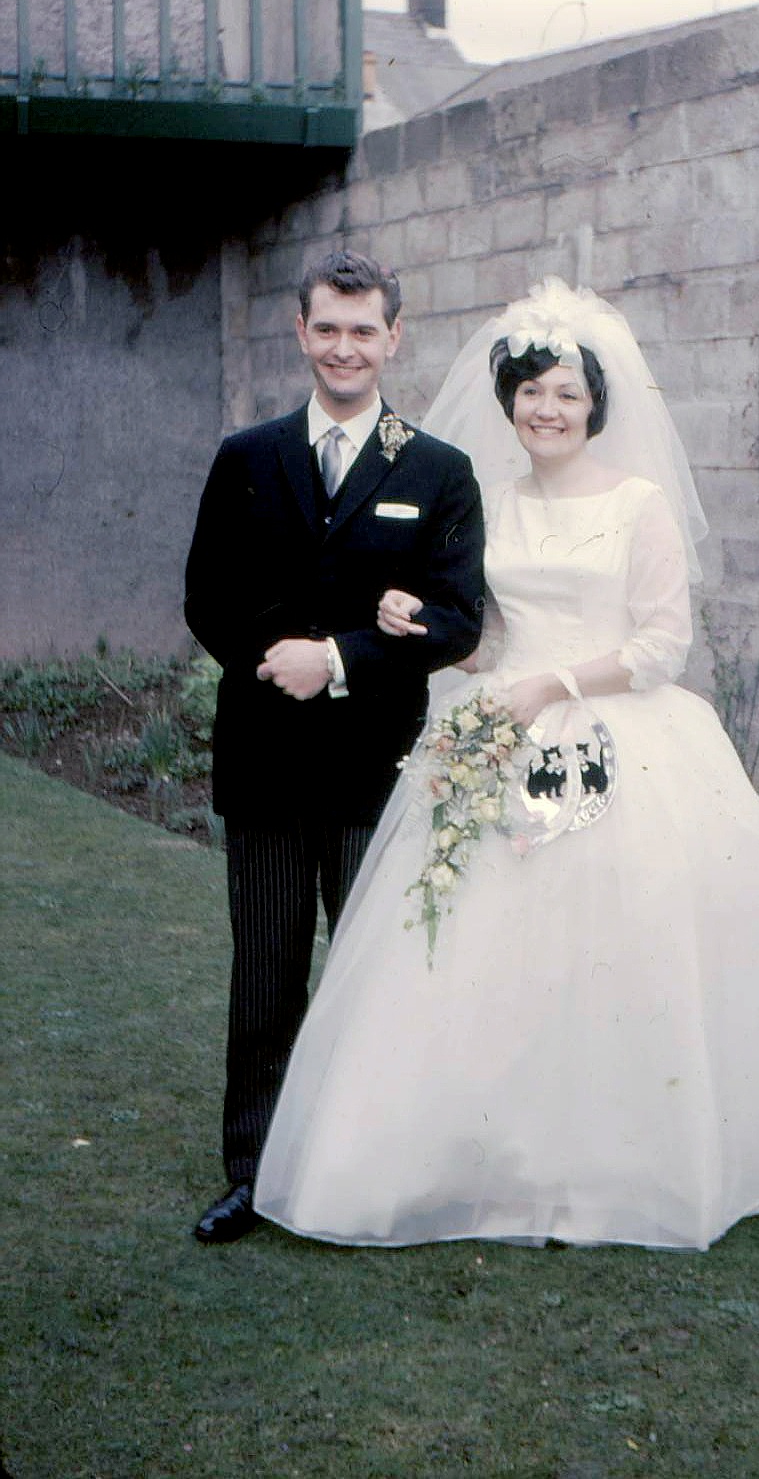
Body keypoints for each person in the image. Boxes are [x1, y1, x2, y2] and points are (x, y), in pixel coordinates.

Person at [254, 277, 759, 1250]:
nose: (547, 409)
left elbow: (663, 644)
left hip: (622, 734)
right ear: (510, 401)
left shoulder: (639, 505)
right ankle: (479, 1156)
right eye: (531, 391)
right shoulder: (490, 502)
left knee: (612, 947)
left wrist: (557, 685)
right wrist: (420, 626)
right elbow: (487, 638)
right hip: (498, 724)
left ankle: (612, 1161)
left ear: (595, 406)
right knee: (469, 950)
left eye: (567, 394)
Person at [184, 250, 485, 1244]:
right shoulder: (248, 455)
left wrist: (344, 659)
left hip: (373, 771)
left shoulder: (438, 468)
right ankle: (255, 1174)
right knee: (266, 978)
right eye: (328, 328)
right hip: (266, 761)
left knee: (375, 981)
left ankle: (370, 1172)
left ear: (394, 337)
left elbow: (456, 620)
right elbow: (208, 595)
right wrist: (282, 659)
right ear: (300, 332)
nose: (345, 347)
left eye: (364, 330)